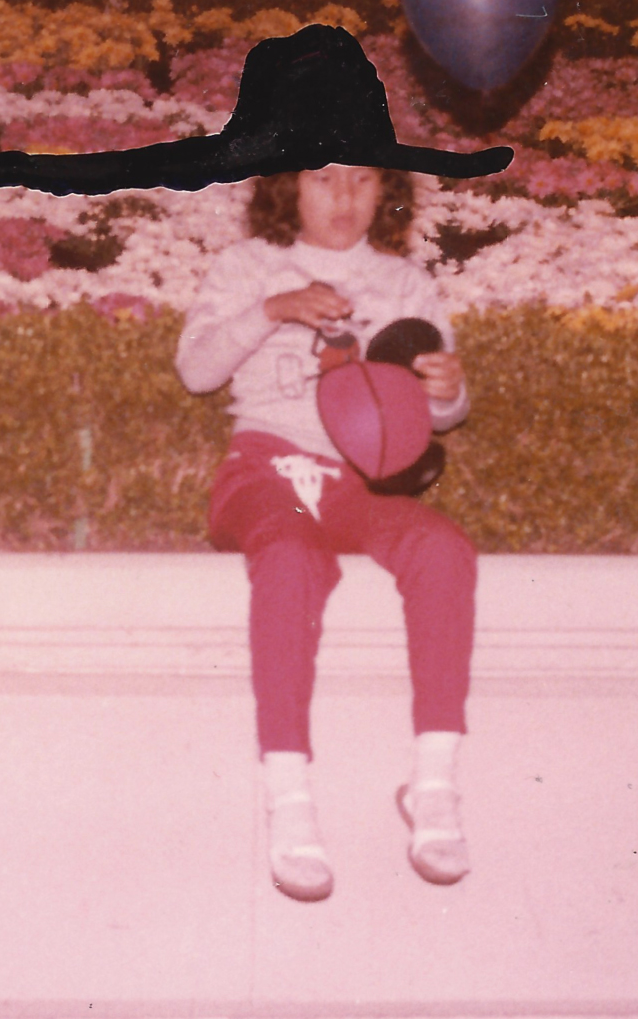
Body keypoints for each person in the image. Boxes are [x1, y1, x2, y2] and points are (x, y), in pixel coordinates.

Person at [176, 164, 476, 902]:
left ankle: (432, 781)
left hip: (359, 483)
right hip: (264, 472)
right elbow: (195, 370)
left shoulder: (403, 283)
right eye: (322, 179)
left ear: (387, 191)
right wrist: (271, 309)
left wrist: (447, 392)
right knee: (287, 559)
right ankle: (288, 792)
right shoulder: (247, 266)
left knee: (443, 549)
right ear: (287, 189)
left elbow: (433, 412)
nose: (343, 198)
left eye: (362, 181)